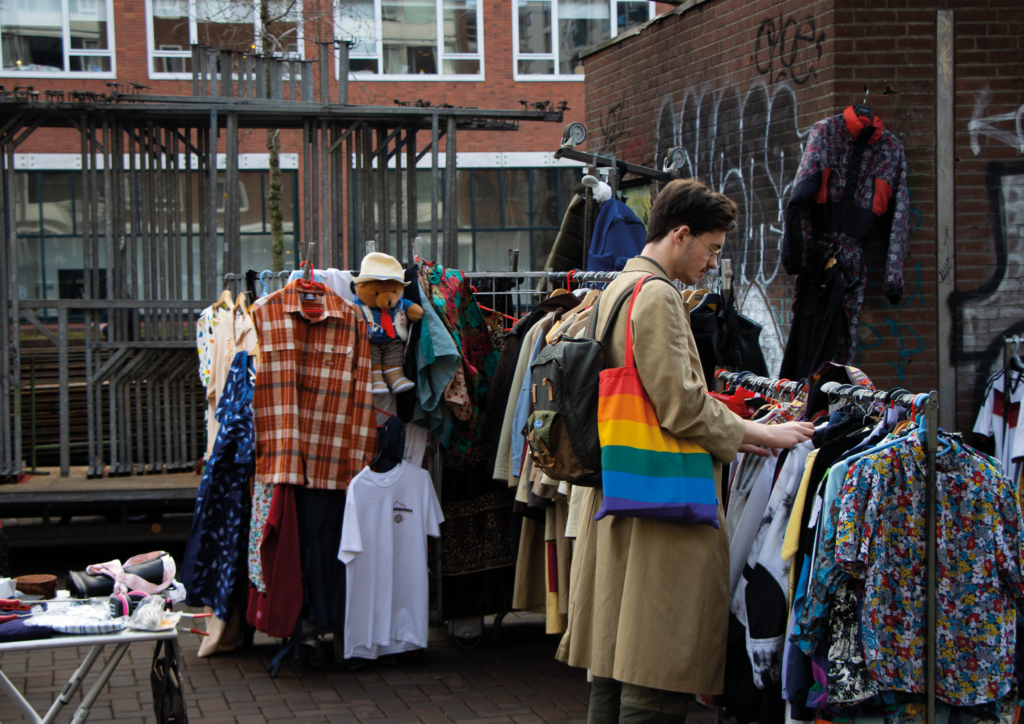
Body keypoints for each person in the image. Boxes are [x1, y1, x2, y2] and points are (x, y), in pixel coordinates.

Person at [555, 179, 815, 724]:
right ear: (681, 235)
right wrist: (763, 432)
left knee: (617, 661)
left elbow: (656, 394)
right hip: (664, 505)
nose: (714, 262)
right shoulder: (659, 297)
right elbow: (682, 406)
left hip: (627, 487)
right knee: (658, 664)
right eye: (712, 248)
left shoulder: (620, 289)